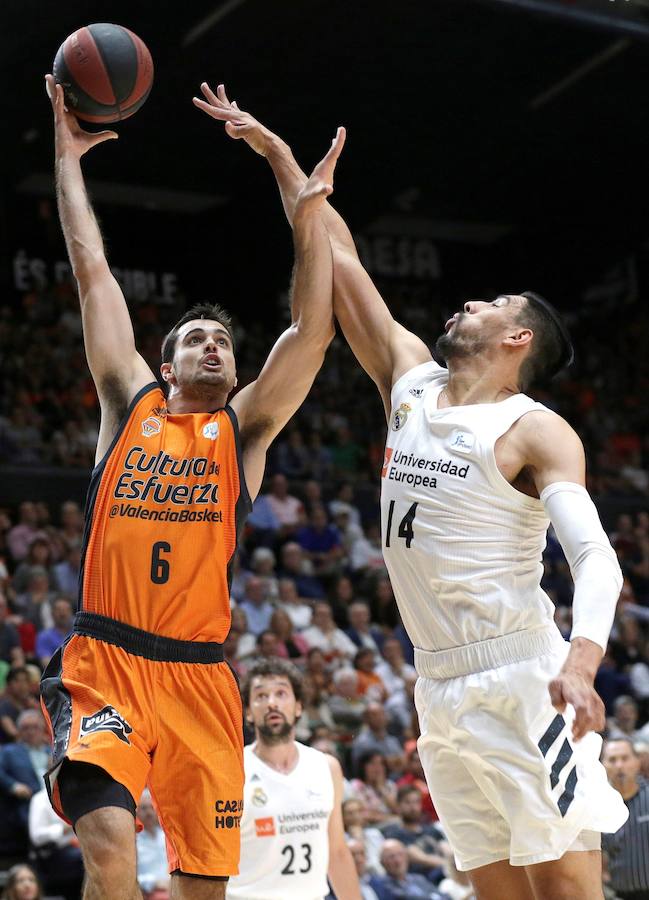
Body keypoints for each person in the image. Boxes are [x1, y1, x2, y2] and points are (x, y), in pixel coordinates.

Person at [193, 85, 629, 899]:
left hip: (520, 671)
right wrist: (282, 162)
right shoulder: (410, 383)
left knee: (565, 890)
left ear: (514, 338)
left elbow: (595, 557)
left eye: (489, 302)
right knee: (492, 888)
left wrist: (583, 659)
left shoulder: (533, 428)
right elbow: (342, 261)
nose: (467, 301)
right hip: (436, 684)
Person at [41, 73, 345, 899]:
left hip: (200, 679)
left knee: (201, 887)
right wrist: (67, 158)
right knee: (106, 834)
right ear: (165, 362)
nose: (214, 346)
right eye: (196, 339)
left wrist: (297, 193)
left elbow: (311, 334)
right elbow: (91, 271)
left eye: (223, 340)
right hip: (104, 660)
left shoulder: (241, 434)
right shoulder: (126, 402)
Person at [227, 658, 361, 899]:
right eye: (260, 696)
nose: (272, 703)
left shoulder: (326, 767)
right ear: (247, 711)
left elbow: (338, 852)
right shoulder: (233, 770)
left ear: (298, 706)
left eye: (281, 693)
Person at [601, 738, 649, 900]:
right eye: (612, 760)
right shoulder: (598, 807)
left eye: (625, 758)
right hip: (618, 895)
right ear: (603, 766)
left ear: (637, 762)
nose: (619, 765)